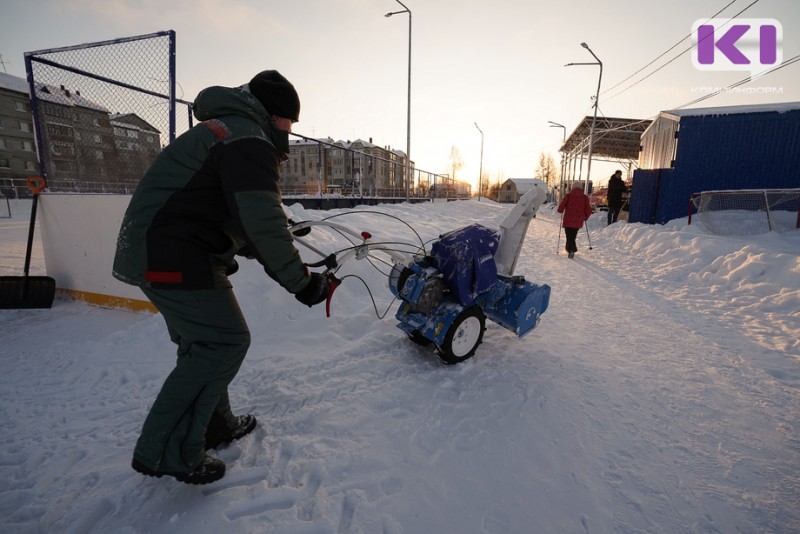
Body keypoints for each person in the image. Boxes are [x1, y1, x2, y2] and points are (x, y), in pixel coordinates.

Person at [112, 70, 329, 485]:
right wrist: (302, 282)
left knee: (204, 344)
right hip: (172, 254)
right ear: (273, 114)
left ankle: (213, 427)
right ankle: (165, 451)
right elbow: (261, 223)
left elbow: (240, 218)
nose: (289, 130)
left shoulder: (231, 130)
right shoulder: (247, 139)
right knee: (222, 342)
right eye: (288, 121)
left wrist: (276, 246)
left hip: (170, 249)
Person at [557, 183, 592, 259]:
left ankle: (571, 250)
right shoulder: (585, 197)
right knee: (573, 234)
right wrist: (586, 217)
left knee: (569, 235)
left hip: (568, 219)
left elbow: (560, 207)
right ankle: (570, 249)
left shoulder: (568, 196)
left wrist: (560, 210)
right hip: (579, 219)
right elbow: (588, 209)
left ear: (572, 188)